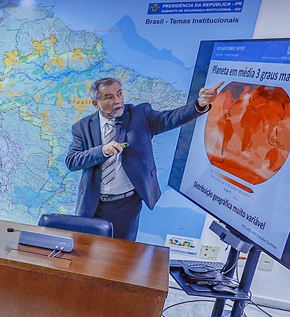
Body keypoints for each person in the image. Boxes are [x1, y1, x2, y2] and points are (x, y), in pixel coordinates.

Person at [65, 77, 223, 241]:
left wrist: (199, 105)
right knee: (86, 252)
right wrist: (102, 151)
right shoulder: (82, 127)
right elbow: (72, 161)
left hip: (127, 206)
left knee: (121, 256)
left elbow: (171, 118)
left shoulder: (140, 115)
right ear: (96, 104)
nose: (118, 100)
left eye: (119, 94)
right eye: (109, 97)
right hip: (93, 204)